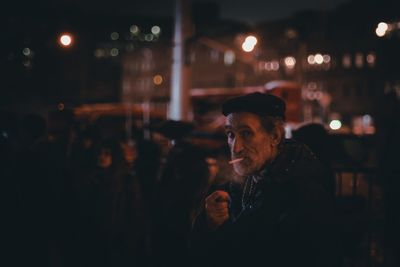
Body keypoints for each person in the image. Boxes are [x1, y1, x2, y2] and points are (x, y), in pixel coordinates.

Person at [190, 92, 341, 267]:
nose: (236, 147)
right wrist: (209, 223)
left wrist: (222, 229)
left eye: (246, 134)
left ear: (275, 136)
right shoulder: (238, 187)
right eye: (231, 134)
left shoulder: (303, 194)